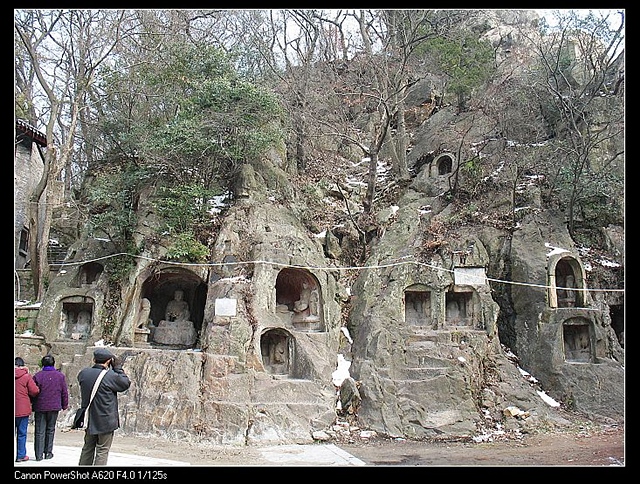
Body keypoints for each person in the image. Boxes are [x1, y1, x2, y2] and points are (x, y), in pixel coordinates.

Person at [77, 348, 131, 466]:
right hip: (106, 419)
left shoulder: (83, 373)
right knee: (102, 450)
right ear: (108, 361)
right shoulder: (110, 376)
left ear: (94, 359)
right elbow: (125, 383)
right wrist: (117, 368)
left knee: (87, 448)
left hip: (90, 418)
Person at [32, 354, 69, 461]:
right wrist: (64, 405)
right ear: (54, 363)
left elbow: (33, 392)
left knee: (39, 430)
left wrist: (32, 403)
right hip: (54, 406)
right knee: (50, 429)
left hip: (40, 406)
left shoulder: (38, 376)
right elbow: (64, 392)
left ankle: (38, 455)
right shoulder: (60, 376)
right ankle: (48, 452)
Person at [15, 356, 40, 463]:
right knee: (21, 433)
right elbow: (34, 391)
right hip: (22, 409)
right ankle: (20, 455)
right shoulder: (26, 377)